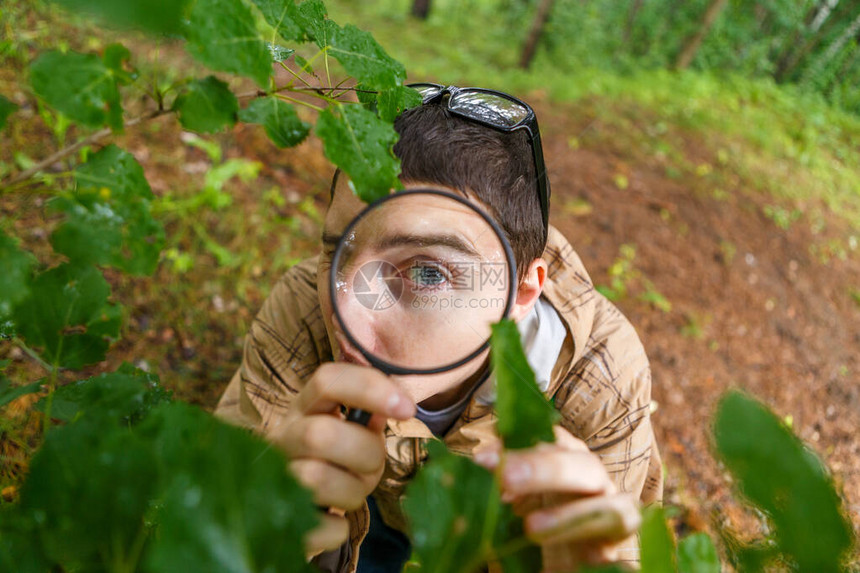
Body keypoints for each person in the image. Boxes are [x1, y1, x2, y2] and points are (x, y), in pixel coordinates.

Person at [215, 84, 663, 573]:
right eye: (339, 252)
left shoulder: (599, 378)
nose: (347, 313)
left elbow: (620, 551)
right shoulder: (303, 306)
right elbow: (215, 515)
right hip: (364, 515)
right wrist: (267, 519)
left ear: (521, 294)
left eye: (428, 272)